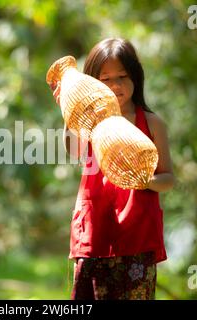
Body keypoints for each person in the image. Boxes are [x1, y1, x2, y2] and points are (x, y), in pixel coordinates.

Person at [51, 38, 175, 300]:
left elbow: (168, 178)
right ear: (92, 83)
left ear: (136, 77)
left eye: (122, 76)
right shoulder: (89, 123)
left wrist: (145, 180)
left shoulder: (152, 123)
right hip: (95, 232)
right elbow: (74, 151)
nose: (115, 85)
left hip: (138, 235)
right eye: (105, 79)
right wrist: (69, 110)